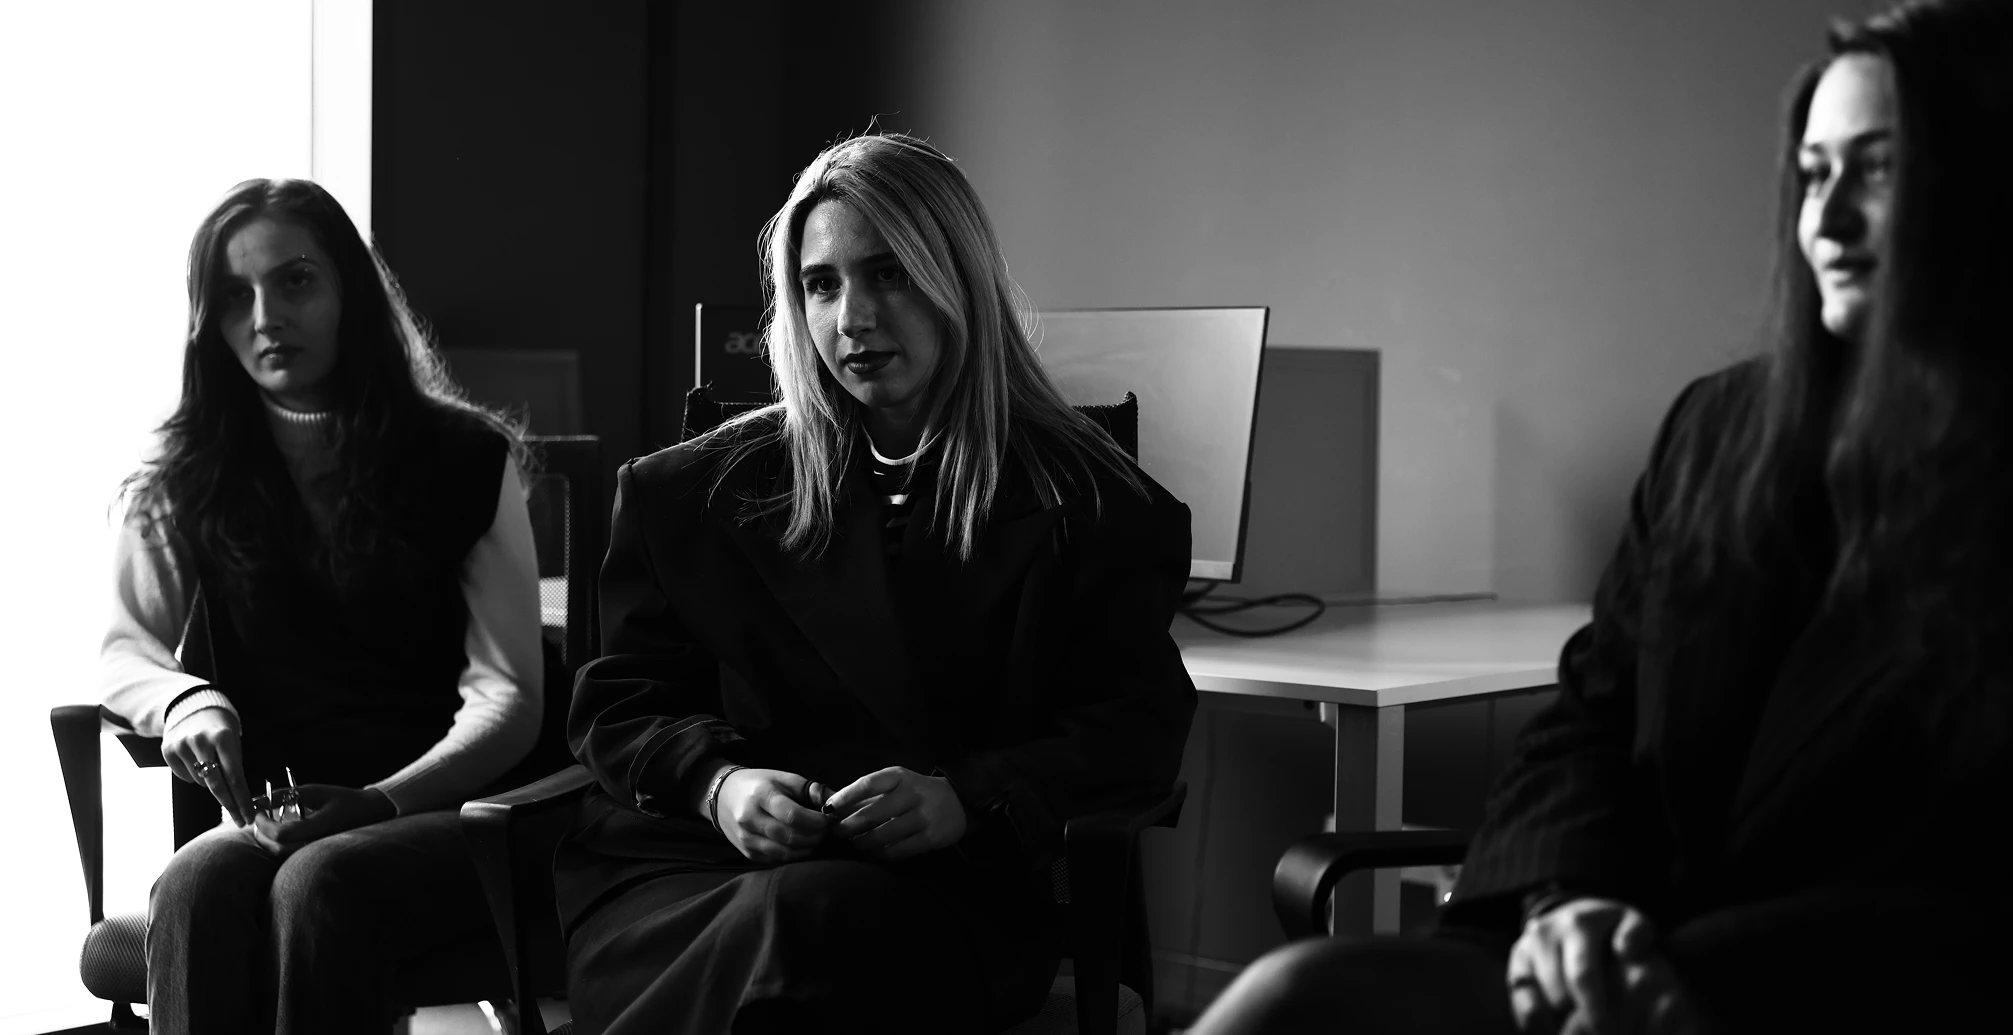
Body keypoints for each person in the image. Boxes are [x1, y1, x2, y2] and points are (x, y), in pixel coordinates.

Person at [1189, 0, 2013, 1032]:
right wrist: (1567, 903)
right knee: (1291, 997)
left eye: (1876, 170)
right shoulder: (1719, 430)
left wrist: (1682, 976)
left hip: (1832, 995)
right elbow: (1589, 716)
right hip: (1590, 956)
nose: (1824, 224)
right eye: (1814, 174)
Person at [554, 132, 1196, 1034]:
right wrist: (720, 783)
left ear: (956, 282)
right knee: (777, 931)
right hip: (690, 867)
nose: (852, 317)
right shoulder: (681, 493)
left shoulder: (1093, 500)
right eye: (822, 284)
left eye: (889, 273)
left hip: (936, 891)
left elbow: (1136, 728)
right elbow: (615, 703)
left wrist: (964, 794)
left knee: (808, 929)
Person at [100, 178, 545, 1035]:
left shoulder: (464, 457)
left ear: (349, 290)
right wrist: (185, 698)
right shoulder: (184, 475)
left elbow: (511, 697)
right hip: (274, 813)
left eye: (295, 280)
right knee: (194, 882)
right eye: (235, 295)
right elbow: (125, 651)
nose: (265, 314)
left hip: (443, 813)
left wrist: (381, 801)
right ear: (209, 320)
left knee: (322, 881)